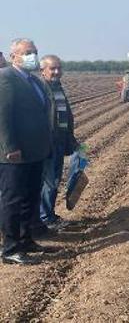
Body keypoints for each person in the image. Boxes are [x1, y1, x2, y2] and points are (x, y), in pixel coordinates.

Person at [0, 38, 53, 265]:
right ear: (14, 57)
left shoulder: (35, 81)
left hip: (35, 152)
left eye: (35, 51)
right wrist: (10, 147)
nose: (33, 55)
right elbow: (3, 116)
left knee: (30, 198)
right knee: (13, 200)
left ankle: (26, 239)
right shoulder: (6, 78)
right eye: (28, 52)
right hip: (15, 154)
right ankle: (10, 248)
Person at [38, 55, 78, 231]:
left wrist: (71, 139)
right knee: (49, 181)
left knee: (54, 179)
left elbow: (65, 116)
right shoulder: (41, 89)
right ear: (43, 71)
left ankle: (49, 214)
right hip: (48, 143)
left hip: (61, 140)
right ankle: (46, 218)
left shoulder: (58, 88)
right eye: (52, 68)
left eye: (58, 68)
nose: (56, 72)